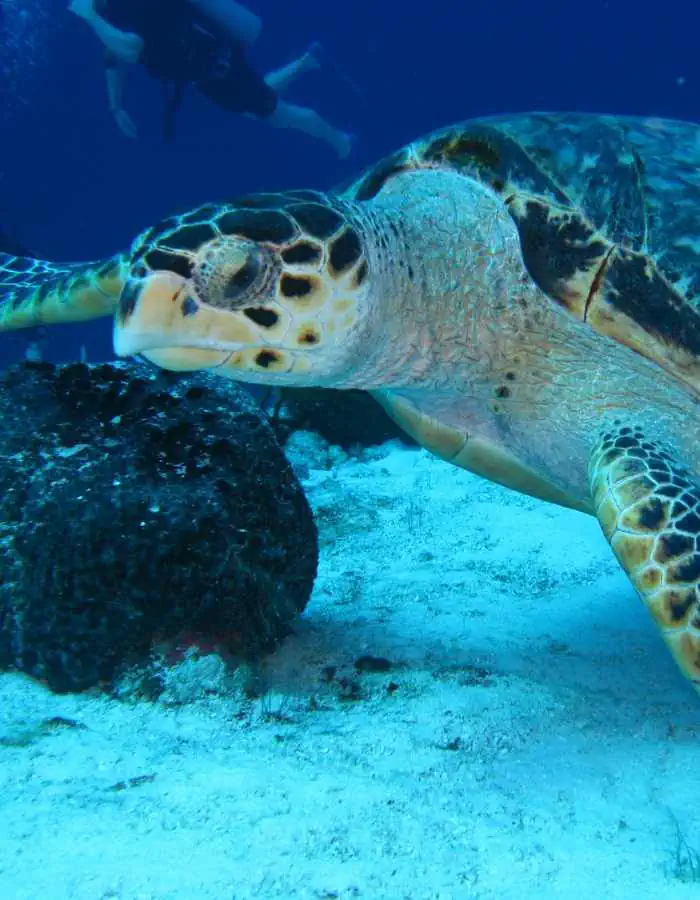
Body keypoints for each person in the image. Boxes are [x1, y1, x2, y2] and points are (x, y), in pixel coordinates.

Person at [68, 0, 354, 158]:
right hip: (208, 70)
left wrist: (90, 17)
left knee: (275, 113)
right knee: (257, 107)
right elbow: (112, 55)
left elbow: (130, 47)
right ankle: (306, 63)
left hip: (217, 66)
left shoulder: (125, 6)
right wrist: (115, 106)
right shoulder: (111, 10)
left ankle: (341, 140)